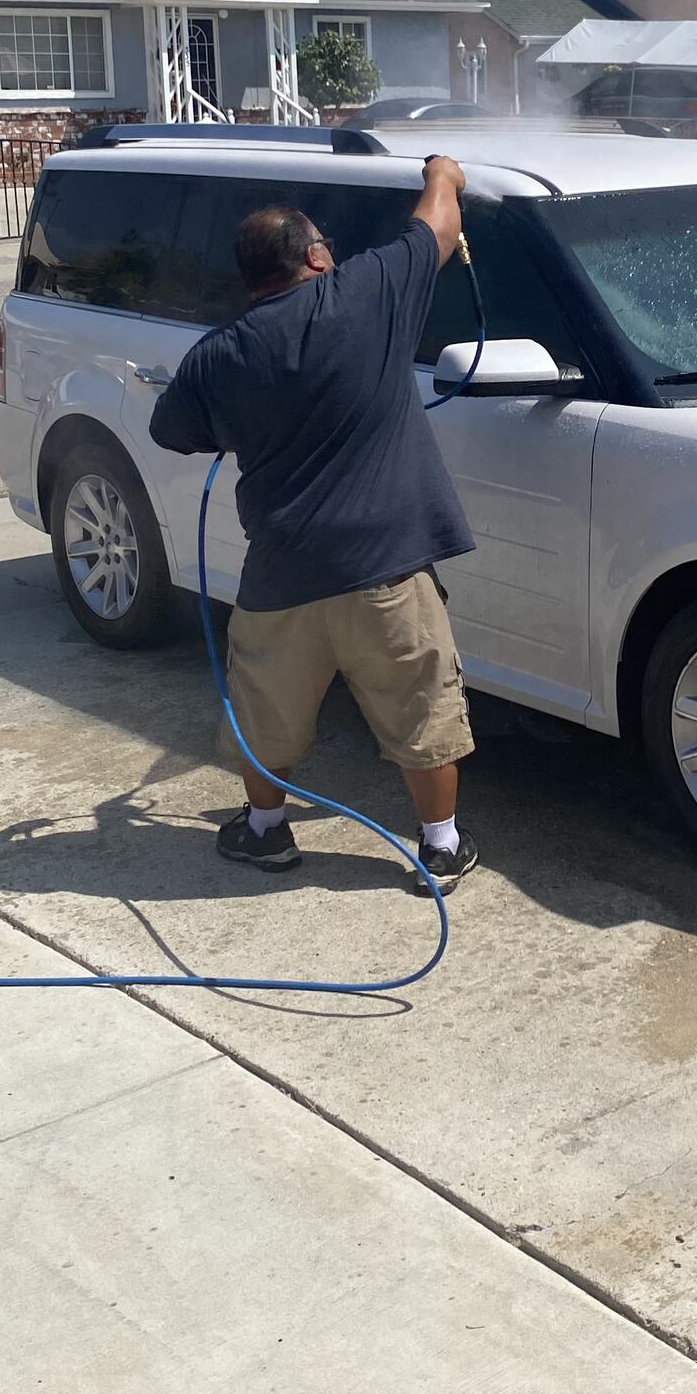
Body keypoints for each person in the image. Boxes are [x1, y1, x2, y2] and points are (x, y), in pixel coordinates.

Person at [149, 154, 480, 893]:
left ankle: (265, 833)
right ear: (317, 255)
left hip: (283, 574)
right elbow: (438, 221)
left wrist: (243, 420)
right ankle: (442, 847)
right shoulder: (367, 293)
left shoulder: (219, 354)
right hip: (386, 570)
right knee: (420, 711)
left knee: (267, 712)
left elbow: (172, 430)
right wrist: (443, 171)